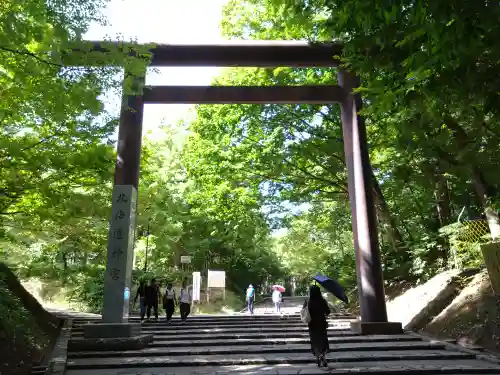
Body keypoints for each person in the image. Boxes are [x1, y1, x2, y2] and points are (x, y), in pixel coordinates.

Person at [303, 285, 330, 367]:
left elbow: (304, 313)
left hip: (312, 324)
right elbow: (328, 312)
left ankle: (318, 356)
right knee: (322, 339)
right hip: (322, 323)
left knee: (314, 340)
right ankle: (322, 355)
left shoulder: (308, 302)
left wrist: (304, 305)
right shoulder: (323, 301)